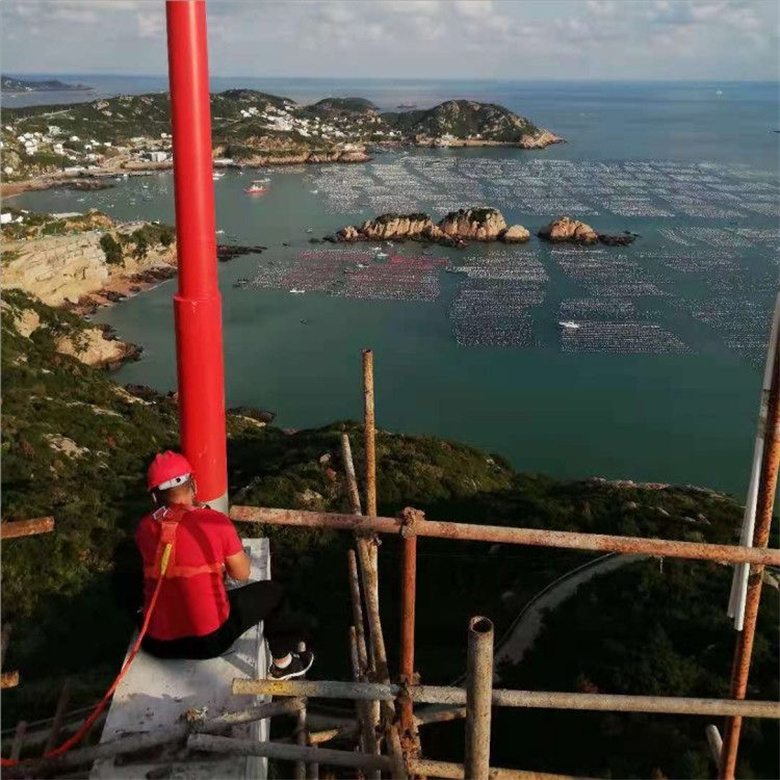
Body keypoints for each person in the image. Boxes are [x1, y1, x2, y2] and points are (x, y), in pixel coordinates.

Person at [136, 450, 313, 680]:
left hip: (156, 644)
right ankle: (283, 663)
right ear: (194, 486)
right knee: (275, 594)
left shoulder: (143, 528)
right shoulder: (214, 522)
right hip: (209, 642)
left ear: (153, 498)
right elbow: (241, 574)